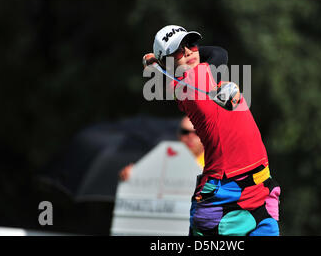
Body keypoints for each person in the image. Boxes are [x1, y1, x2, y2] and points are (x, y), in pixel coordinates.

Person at [142, 25, 281, 236]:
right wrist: (159, 62)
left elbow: (208, 56)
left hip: (261, 187)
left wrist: (160, 61)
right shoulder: (187, 83)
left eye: (191, 44)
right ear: (168, 63)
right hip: (224, 195)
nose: (188, 51)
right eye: (179, 50)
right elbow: (219, 53)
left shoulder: (199, 79)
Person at [119, 115, 205, 181]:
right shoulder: (165, 159)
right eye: (185, 132)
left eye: (196, 132)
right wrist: (132, 175)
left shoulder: (215, 165)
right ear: (178, 134)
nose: (190, 136)